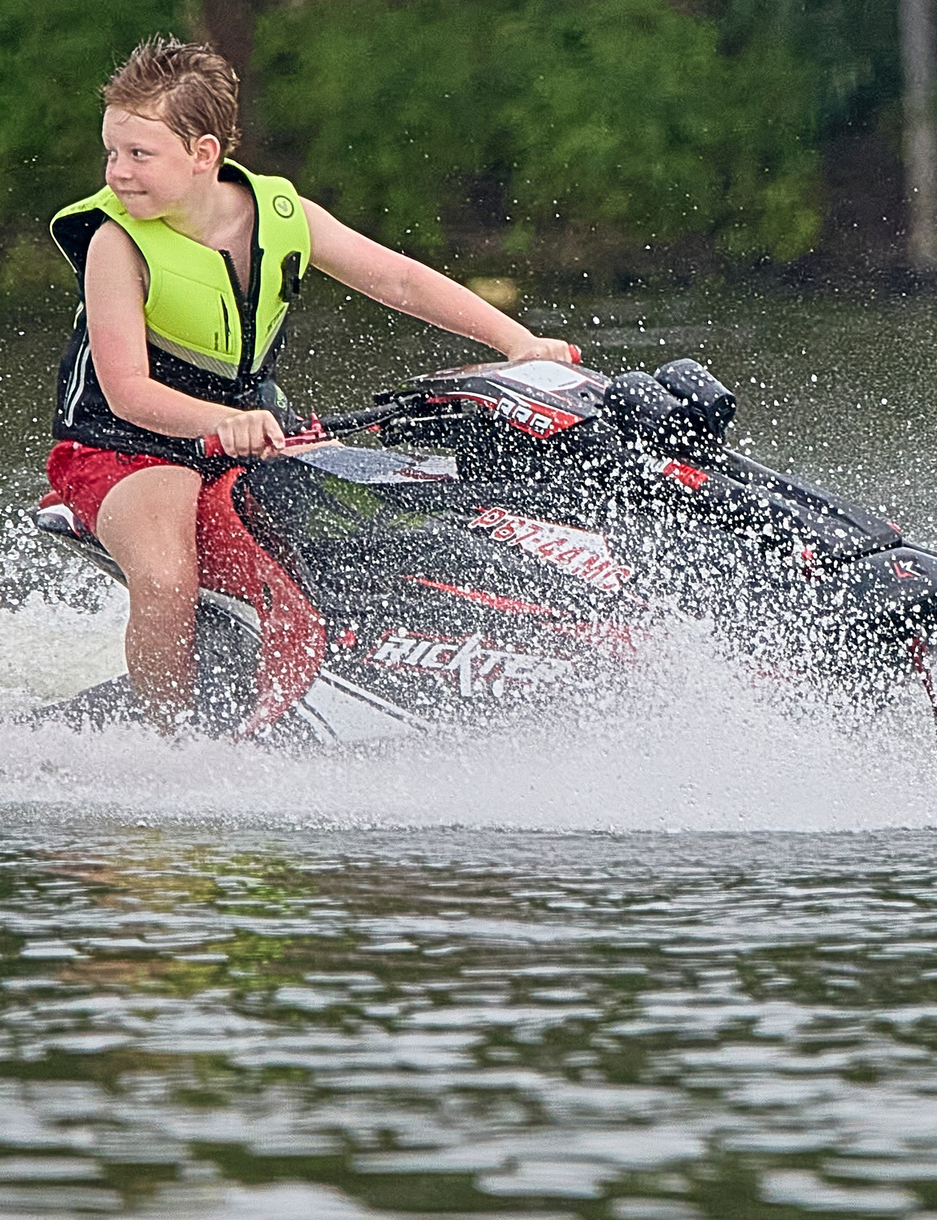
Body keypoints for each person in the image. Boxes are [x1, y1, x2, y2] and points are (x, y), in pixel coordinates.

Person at [45, 36, 578, 721]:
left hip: (253, 432)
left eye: (139, 155)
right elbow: (128, 391)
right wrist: (218, 423)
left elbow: (398, 279)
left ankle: (395, 680)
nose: (117, 172)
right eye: (111, 152)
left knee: (381, 522)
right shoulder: (115, 243)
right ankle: (168, 739)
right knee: (167, 577)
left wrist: (518, 342)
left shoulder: (283, 216)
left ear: (204, 154)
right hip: (125, 445)